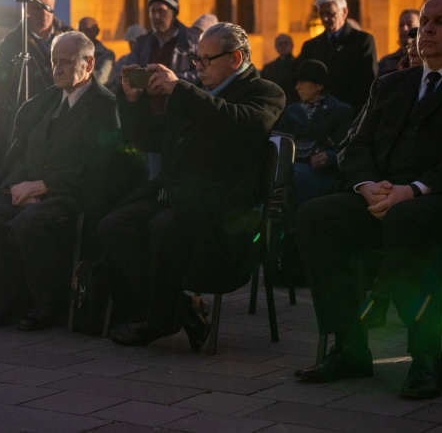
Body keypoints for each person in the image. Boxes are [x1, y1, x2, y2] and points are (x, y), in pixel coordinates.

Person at [293, 0, 442, 399]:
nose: (426, 29)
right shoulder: (390, 84)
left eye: (441, 22)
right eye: (423, 23)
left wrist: (413, 191)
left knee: (409, 219)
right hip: (384, 198)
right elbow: (356, 145)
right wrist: (366, 186)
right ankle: (350, 347)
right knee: (317, 215)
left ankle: (427, 357)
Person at [98, 22, 285, 351]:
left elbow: (239, 123)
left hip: (222, 208)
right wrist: (133, 100)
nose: (198, 67)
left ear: (235, 58)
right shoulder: (195, 93)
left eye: (206, 60)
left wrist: (179, 90)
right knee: (113, 226)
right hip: (177, 196)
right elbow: (149, 139)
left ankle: (160, 319)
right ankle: (183, 310)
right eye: (196, 59)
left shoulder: (264, 92)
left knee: (162, 227)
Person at [0, 31, 123, 331]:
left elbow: (99, 165)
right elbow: (16, 155)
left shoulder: (106, 107)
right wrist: (16, 185)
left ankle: (48, 304)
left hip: (72, 194)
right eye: (54, 61)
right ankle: (7, 300)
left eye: (67, 62)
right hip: (25, 188)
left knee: (29, 223)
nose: (58, 68)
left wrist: (45, 185)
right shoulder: (40, 104)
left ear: (89, 63)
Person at [277, 59, 352, 208]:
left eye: (302, 82)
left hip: (322, 174)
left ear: (319, 85)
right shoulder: (291, 111)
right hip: (292, 167)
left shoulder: (340, 111)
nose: (297, 87)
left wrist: (330, 157)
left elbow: (347, 148)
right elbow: (280, 141)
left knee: (298, 176)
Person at [295, 0, 377, 117]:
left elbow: (367, 81)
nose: (324, 18)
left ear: (344, 12)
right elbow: (301, 78)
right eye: (321, 13)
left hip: (351, 113)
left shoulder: (362, 41)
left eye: (330, 13)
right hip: (316, 115)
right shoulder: (310, 46)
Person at [0, 0, 71, 106]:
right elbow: (2, 85)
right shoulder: (12, 43)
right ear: (27, 9)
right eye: (38, 8)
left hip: (66, 109)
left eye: (47, 7)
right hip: (30, 111)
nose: (43, 12)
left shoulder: (71, 38)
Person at [125, 0, 199, 86]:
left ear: (174, 14)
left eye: (161, 11)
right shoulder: (142, 43)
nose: (156, 16)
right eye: (152, 11)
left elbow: (202, 74)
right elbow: (130, 75)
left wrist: (173, 80)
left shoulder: (193, 40)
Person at [378, 9, 420, 76]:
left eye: (410, 24)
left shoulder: (426, 62)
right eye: (401, 25)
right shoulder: (386, 62)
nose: (404, 29)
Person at [108, 24, 147, 93]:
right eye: (130, 43)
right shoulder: (123, 60)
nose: (132, 46)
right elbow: (112, 82)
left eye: (135, 43)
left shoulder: (149, 59)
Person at [261, 33, 298, 105]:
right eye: (280, 44)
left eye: (286, 43)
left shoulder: (298, 65)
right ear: (276, 47)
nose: (283, 46)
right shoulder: (268, 68)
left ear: (292, 45)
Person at [77, 17, 115, 86]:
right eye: (80, 30)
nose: (83, 34)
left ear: (97, 31)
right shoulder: (72, 52)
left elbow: (101, 79)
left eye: (87, 30)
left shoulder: (107, 54)